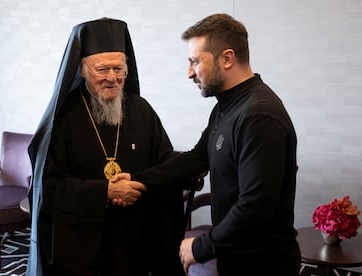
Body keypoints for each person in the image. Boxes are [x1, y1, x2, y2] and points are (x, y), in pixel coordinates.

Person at [114, 13, 301, 275]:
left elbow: (255, 207)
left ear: (227, 58)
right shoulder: (226, 106)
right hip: (234, 259)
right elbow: (195, 159)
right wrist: (137, 178)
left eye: (195, 61)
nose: (189, 72)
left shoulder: (258, 115)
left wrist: (201, 246)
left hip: (263, 265)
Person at [26, 18, 188, 276]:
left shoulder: (141, 110)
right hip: (83, 244)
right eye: (102, 69)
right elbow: (50, 185)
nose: (112, 78)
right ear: (82, 70)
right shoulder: (63, 119)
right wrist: (105, 191)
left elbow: (164, 160)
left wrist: (191, 166)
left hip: (135, 237)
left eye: (119, 69)